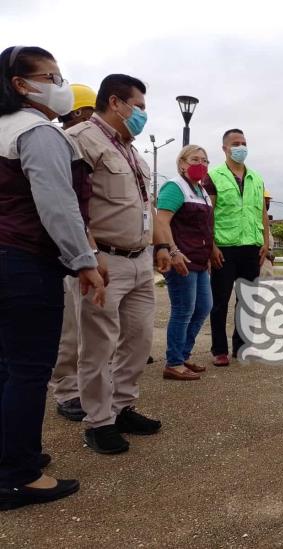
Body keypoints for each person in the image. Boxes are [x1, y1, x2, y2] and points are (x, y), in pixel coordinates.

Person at [0, 45, 105, 510]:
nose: (60, 85)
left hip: (5, 257)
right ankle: (18, 476)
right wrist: (83, 260)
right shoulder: (36, 131)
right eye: (51, 76)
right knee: (27, 371)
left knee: (6, 368)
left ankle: (12, 456)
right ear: (21, 85)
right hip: (25, 262)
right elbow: (56, 205)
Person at [67, 73, 160, 455]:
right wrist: (90, 254)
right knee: (98, 346)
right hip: (104, 260)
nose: (142, 114)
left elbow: (140, 205)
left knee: (138, 341)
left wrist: (161, 248)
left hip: (140, 260)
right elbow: (71, 203)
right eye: (138, 106)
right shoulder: (80, 140)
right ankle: (99, 421)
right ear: (116, 102)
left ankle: (122, 407)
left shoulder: (131, 149)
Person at [50, 82, 98, 422]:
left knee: (88, 328)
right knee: (70, 330)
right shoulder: (66, 143)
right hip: (70, 250)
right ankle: (67, 390)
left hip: (90, 247)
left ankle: (84, 386)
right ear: (80, 113)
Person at [203, 129, 269, 366]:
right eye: (235, 144)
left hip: (251, 247)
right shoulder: (213, 176)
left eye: (243, 143)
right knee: (220, 300)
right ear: (224, 148)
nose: (240, 147)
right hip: (224, 247)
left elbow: (261, 212)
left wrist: (266, 242)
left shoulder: (257, 178)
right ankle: (219, 349)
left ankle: (242, 346)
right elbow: (207, 214)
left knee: (247, 300)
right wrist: (211, 247)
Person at [153, 145, 214, 381]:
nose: (201, 164)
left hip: (198, 261)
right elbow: (162, 221)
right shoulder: (175, 187)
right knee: (183, 310)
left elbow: (204, 227)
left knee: (203, 307)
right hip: (181, 259)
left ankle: (183, 354)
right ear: (182, 164)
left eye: (205, 160)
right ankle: (174, 362)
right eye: (194, 159)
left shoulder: (202, 191)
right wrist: (172, 250)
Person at [260, 190, 275, 278]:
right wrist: (268, 254)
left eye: (268, 201)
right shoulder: (257, 217)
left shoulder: (264, 218)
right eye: (266, 200)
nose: (267, 203)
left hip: (267, 257)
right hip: (262, 258)